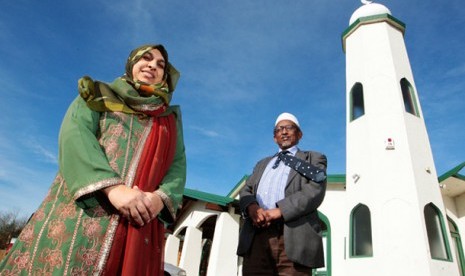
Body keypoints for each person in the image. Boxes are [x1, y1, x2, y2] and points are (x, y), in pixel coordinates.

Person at [0, 44, 186, 275]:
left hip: (141, 222)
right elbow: (75, 136)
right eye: (146, 58)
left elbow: (178, 166)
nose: (152, 66)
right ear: (131, 63)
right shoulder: (97, 94)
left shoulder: (169, 119)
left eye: (161, 65)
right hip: (84, 213)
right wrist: (114, 189)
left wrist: (159, 199)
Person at [237, 112, 327, 275]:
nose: (284, 132)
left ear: (299, 134)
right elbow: (246, 190)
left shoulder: (312, 158)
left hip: (293, 238)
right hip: (257, 237)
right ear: (274, 138)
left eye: (289, 128)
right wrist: (251, 207)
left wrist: (280, 211)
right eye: (279, 129)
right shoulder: (262, 164)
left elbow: (315, 189)